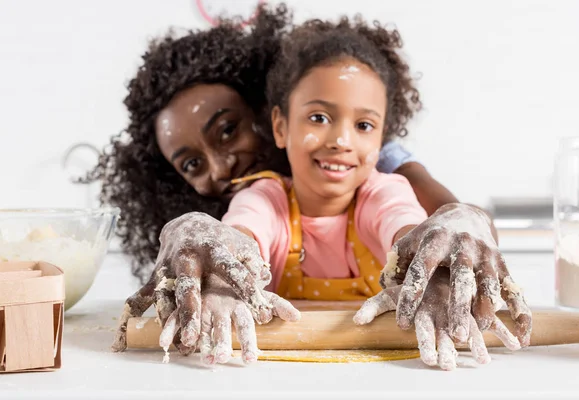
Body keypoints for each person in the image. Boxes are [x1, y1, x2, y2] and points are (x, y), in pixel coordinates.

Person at [113, 11, 531, 371]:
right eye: (191, 164)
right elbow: (242, 230)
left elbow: (411, 224)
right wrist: (213, 261)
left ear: (264, 118)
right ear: (282, 125)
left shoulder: (382, 181)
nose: (341, 140)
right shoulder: (264, 197)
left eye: (228, 130)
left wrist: (436, 258)